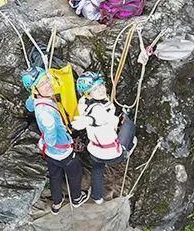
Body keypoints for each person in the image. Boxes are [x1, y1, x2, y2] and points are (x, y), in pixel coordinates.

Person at [23, 67, 90, 213]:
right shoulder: (47, 114)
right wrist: (50, 139)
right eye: (43, 84)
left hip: (50, 154)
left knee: (55, 176)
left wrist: (43, 144)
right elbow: (52, 139)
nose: (48, 85)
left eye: (47, 80)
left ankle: (56, 204)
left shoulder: (35, 100)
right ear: (35, 89)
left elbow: (28, 105)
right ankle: (77, 199)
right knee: (75, 174)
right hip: (62, 151)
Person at [71, 72, 135, 204]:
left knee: (97, 169)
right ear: (88, 93)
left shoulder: (83, 102)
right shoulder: (98, 110)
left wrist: (88, 120)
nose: (101, 90)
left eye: (100, 85)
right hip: (114, 155)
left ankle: (97, 196)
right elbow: (99, 118)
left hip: (95, 152)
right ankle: (128, 149)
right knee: (130, 125)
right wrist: (90, 120)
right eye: (94, 89)